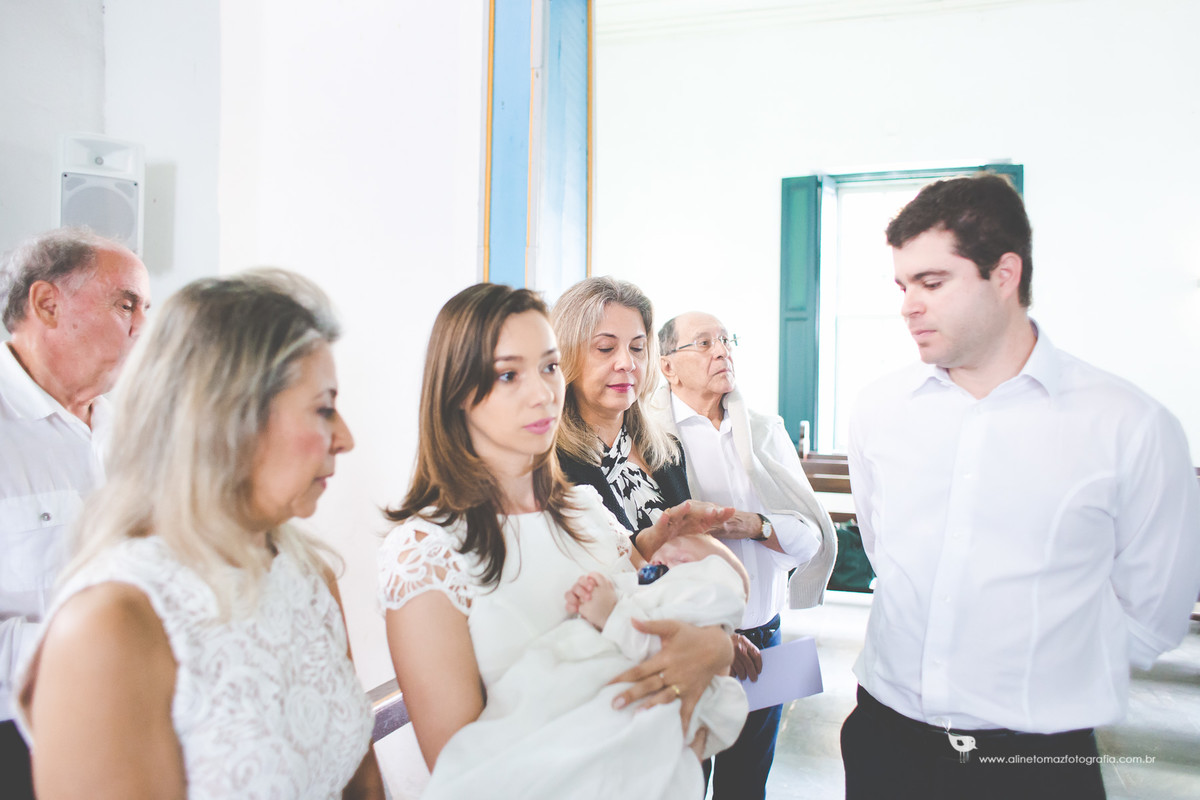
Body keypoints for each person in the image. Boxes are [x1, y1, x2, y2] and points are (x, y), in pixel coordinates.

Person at [842, 172, 1200, 800]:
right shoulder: (879, 410)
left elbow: (1155, 611)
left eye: (932, 283)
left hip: (1035, 758)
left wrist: (1041, 677)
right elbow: (883, 548)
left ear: (1005, 274)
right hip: (886, 737)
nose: (908, 306)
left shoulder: (1128, 424)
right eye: (903, 286)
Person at [15, 270, 383, 799]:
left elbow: (360, 780)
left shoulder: (307, 575)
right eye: (323, 408)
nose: (344, 438)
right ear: (227, 419)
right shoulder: (111, 624)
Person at [378, 283, 737, 799]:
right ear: (457, 391)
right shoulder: (425, 552)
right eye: (509, 374)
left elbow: (650, 621)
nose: (543, 392)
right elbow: (467, 773)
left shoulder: (585, 508)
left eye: (548, 367)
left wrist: (713, 644)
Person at [651, 310, 838, 800]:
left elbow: (810, 537)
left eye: (726, 340)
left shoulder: (764, 429)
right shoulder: (648, 435)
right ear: (668, 367)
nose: (722, 351)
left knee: (747, 787)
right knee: (680, 784)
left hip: (764, 641)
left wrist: (756, 526)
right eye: (704, 343)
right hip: (688, 644)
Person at [419, 534, 751, 800]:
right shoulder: (427, 554)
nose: (666, 555)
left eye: (684, 557)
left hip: (631, 702)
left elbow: (665, 639)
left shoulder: (694, 592)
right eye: (667, 547)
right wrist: (593, 596)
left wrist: (610, 615)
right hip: (568, 690)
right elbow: (626, 592)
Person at [0, 228, 150, 799]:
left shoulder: (133, 432)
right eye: (126, 304)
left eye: (144, 309)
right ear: (47, 304)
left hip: (133, 722)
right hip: (16, 741)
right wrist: (96, 648)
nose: (141, 326)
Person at [551, 277, 693, 553]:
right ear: (566, 354)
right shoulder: (547, 462)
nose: (627, 363)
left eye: (637, 348)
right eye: (606, 348)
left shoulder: (667, 451)